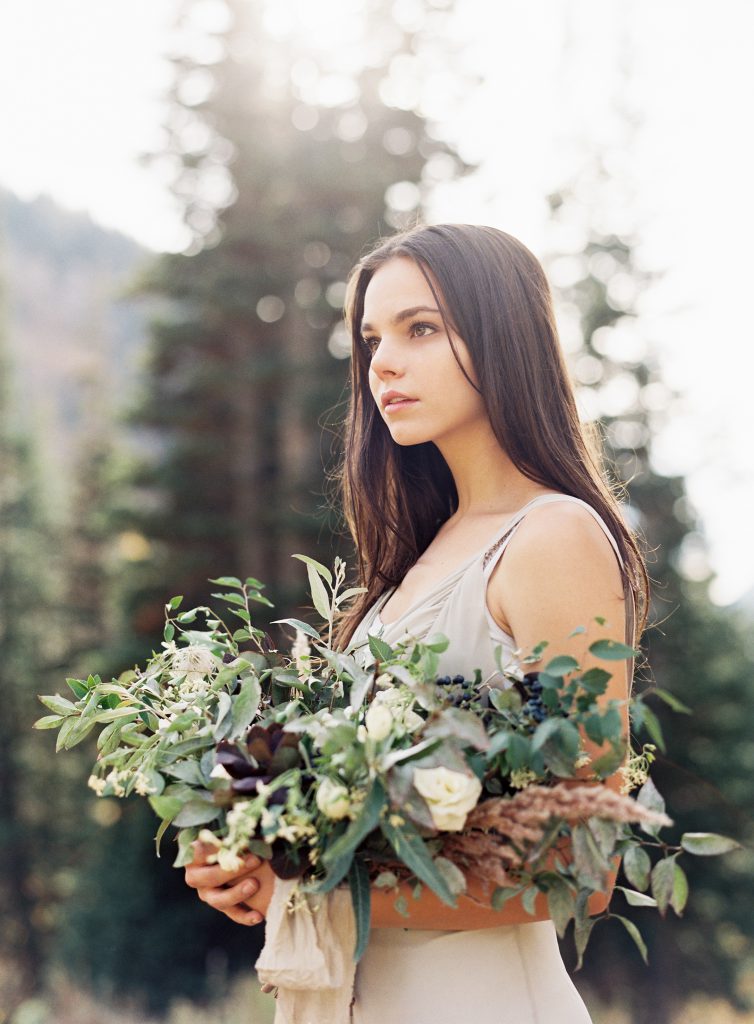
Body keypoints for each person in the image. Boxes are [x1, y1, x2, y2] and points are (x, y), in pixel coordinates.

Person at [184, 223, 649, 1023]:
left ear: (505, 338)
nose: (383, 364)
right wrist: (255, 844)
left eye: (421, 329)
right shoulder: (415, 563)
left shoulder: (552, 537)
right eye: (370, 340)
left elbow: (583, 860)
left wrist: (303, 880)